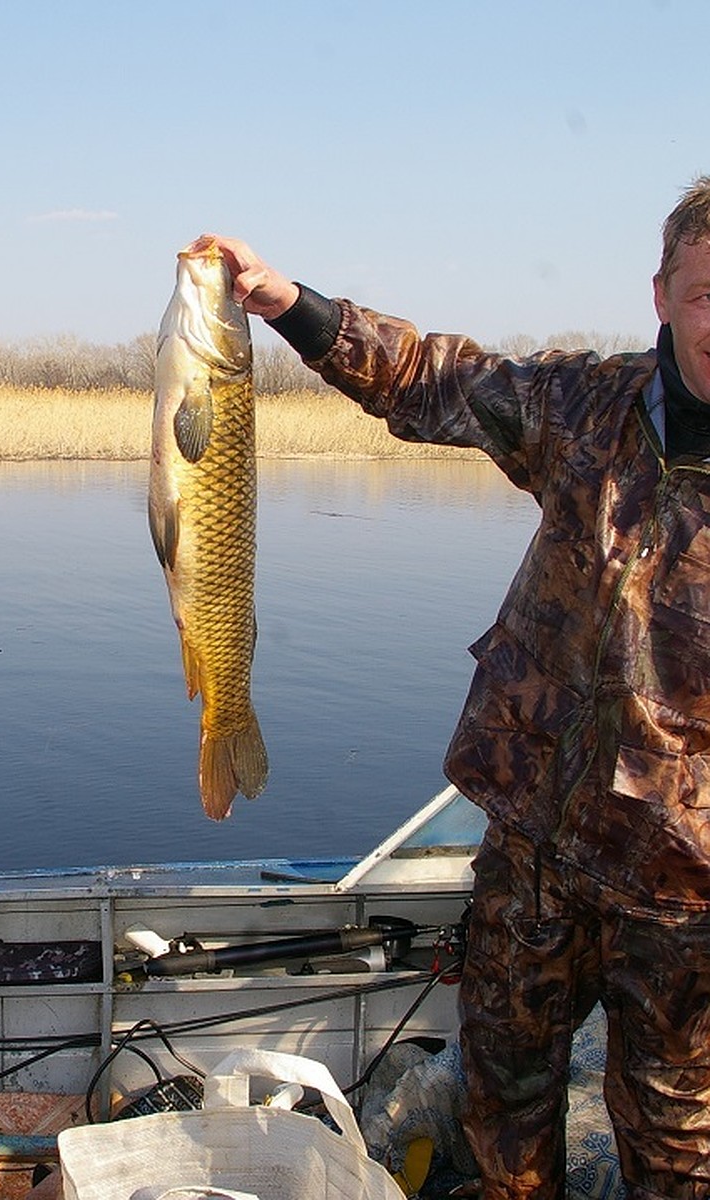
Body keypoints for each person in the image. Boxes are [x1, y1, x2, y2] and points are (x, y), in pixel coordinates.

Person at [208, 174, 710, 1200]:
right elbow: (432, 380)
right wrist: (291, 306)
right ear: (661, 294)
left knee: (678, 1153)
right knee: (504, 1118)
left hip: (686, 892)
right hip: (534, 854)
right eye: (708, 294)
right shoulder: (584, 411)